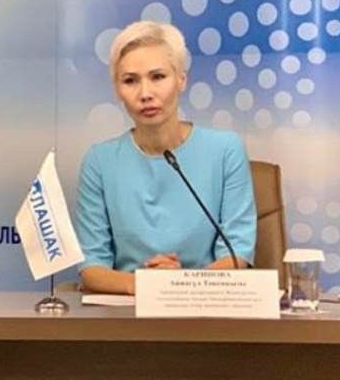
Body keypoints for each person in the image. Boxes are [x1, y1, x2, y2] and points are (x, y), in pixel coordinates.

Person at [75, 21, 256, 295]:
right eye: (130, 81)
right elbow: (92, 266)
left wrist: (180, 285)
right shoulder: (99, 162)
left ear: (181, 79)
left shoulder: (225, 150)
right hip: (126, 309)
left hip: (206, 306)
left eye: (158, 77)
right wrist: (146, 285)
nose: (145, 94)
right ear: (116, 89)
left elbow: (237, 253)